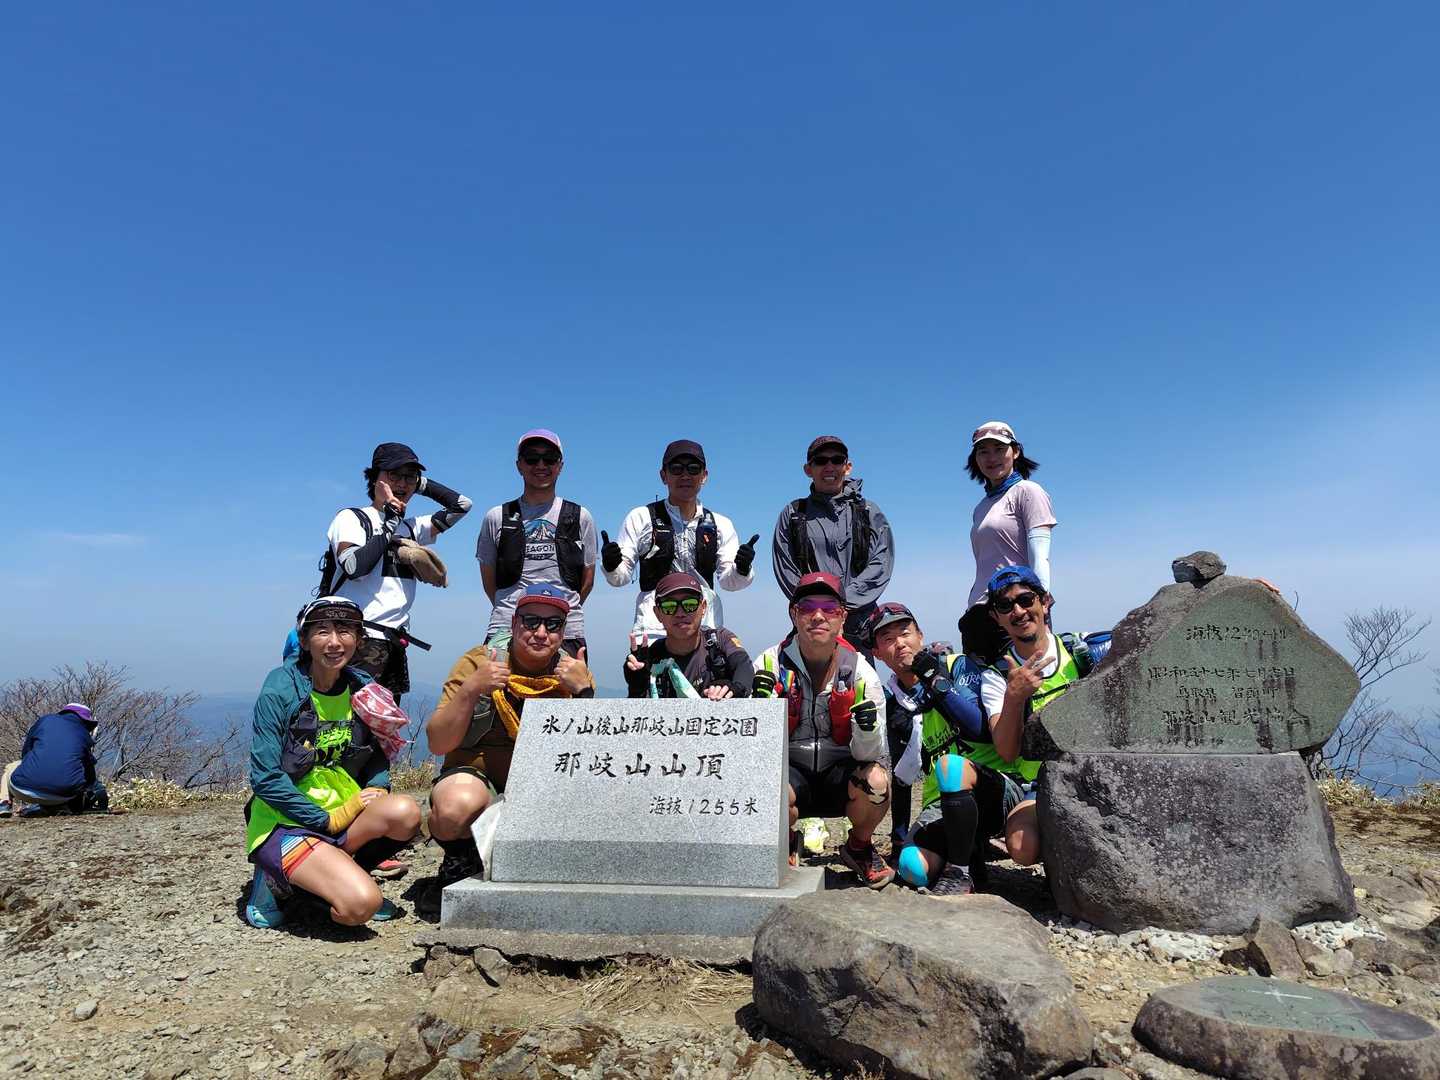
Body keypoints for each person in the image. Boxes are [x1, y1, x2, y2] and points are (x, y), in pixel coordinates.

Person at [244, 597, 423, 929]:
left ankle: (339, 873)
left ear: (358, 639)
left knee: (405, 813)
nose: (335, 642)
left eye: (345, 631)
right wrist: (326, 820)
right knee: (360, 907)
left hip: (341, 813)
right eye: (322, 631)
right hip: (287, 822)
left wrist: (377, 788)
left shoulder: (361, 687)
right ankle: (278, 881)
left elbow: (376, 752)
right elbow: (265, 777)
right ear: (305, 640)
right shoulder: (281, 689)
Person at [423, 584, 596, 909]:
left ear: (563, 632)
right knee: (455, 808)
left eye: (553, 624)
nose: (541, 633)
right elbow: (438, 742)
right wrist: (471, 689)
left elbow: (591, 756)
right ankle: (460, 863)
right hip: (476, 775)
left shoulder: (572, 673)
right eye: (531, 621)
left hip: (538, 783)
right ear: (514, 624)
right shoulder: (478, 662)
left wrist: (584, 693)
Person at [867, 603, 1020, 898]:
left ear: (920, 636)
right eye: (888, 639)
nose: (900, 643)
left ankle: (962, 870)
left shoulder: (957, 667)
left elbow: (979, 728)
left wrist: (934, 681)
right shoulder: (893, 701)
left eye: (905, 632)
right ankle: (969, 852)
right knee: (912, 869)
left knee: (951, 765)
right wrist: (899, 840)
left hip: (995, 789)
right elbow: (902, 777)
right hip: (941, 805)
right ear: (877, 652)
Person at [753, 572, 893, 888]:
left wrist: (866, 729)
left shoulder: (860, 671)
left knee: (877, 782)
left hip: (839, 773)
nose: (818, 616)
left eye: (829, 608)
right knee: (765, 787)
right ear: (794, 614)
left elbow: (871, 754)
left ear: (842, 617)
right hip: (790, 773)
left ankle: (858, 846)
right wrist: (759, 709)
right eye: (807, 607)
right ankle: (785, 841)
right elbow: (755, 748)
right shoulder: (768, 663)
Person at [325, 442, 472, 702]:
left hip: (394, 643)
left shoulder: (412, 528)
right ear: (375, 478)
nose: (402, 483)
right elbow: (354, 567)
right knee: (347, 722)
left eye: (409, 476)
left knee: (386, 724)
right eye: (394, 475)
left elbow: (461, 504)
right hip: (356, 640)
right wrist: (390, 520)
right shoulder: (352, 518)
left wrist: (419, 484)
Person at [601, 440, 758, 644]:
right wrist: (611, 564)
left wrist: (743, 568)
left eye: (693, 468)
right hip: (653, 630)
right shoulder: (641, 518)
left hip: (704, 629)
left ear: (704, 476)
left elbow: (730, 582)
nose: (685, 475)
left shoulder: (720, 525)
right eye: (676, 468)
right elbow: (619, 578)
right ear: (663, 475)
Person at [475, 429, 598, 654]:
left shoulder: (581, 517)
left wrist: (558, 613)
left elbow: (587, 581)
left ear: (560, 466)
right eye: (532, 458)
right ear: (519, 465)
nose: (541, 465)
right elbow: (488, 581)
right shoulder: (496, 517)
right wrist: (512, 610)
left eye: (549, 459)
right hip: (504, 630)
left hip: (566, 633)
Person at [772, 436, 894, 652]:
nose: (829, 466)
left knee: (858, 675)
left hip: (859, 628)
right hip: (813, 623)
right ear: (808, 469)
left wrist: (841, 606)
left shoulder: (869, 512)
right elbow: (786, 571)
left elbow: (880, 566)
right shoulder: (793, 514)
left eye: (837, 460)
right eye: (821, 461)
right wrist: (823, 609)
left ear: (847, 467)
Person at [959, 421, 1055, 664]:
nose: (992, 458)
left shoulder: (1028, 491)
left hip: (1015, 609)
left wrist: (1040, 605)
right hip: (979, 611)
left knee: (1027, 682)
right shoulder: (981, 507)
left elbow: (1040, 555)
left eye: (1000, 449)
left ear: (1016, 451)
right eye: (983, 451)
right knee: (984, 685)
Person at [623, 573, 754, 699]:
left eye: (690, 604)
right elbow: (638, 709)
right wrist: (636, 687)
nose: (680, 613)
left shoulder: (719, 640)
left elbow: (744, 666)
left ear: (703, 608)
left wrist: (735, 688)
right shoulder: (651, 659)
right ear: (657, 614)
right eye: (669, 606)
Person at [0, 704, 107, 819]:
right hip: (63, 796)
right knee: (75, 773)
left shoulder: (45, 720)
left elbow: (26, 752)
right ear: (85, 721)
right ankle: (56, 807)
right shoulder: (84, 735)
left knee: (10, 767)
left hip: (22, 789)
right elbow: (89, 774)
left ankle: (4, 803)